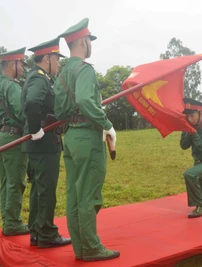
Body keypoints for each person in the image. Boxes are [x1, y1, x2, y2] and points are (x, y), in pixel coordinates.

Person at [53, 18, 119, 262]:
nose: (90, 45)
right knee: (89, 193)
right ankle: (91, 247)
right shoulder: (84, 69)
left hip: (69, 136)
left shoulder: (61, 73)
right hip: (87, 136)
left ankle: (81, 248)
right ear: (82, 41)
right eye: (89, 40)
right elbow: (84, 100)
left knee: (74, 193)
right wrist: (107, 124)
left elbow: (60, 110)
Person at [21, 38, 71, 248]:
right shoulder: (39, 80)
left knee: (38, 189)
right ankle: (47, 234)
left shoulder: (38, 78)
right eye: (56, 59)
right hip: (44, 143)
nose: (58, 63)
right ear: (48, 58)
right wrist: (36, 130)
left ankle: (36, 231)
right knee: (46, 189)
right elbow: (33, 102)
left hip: (40, 143)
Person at [0, 48, 29, 236]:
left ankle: (6, 219)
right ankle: (12, 223)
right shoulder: (12, 86)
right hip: (13, 137)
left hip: (2, 136)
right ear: (12, 65)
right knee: (16, 182)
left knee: (4, 182)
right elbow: (21, 112)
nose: (23, 69)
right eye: (21, 64)